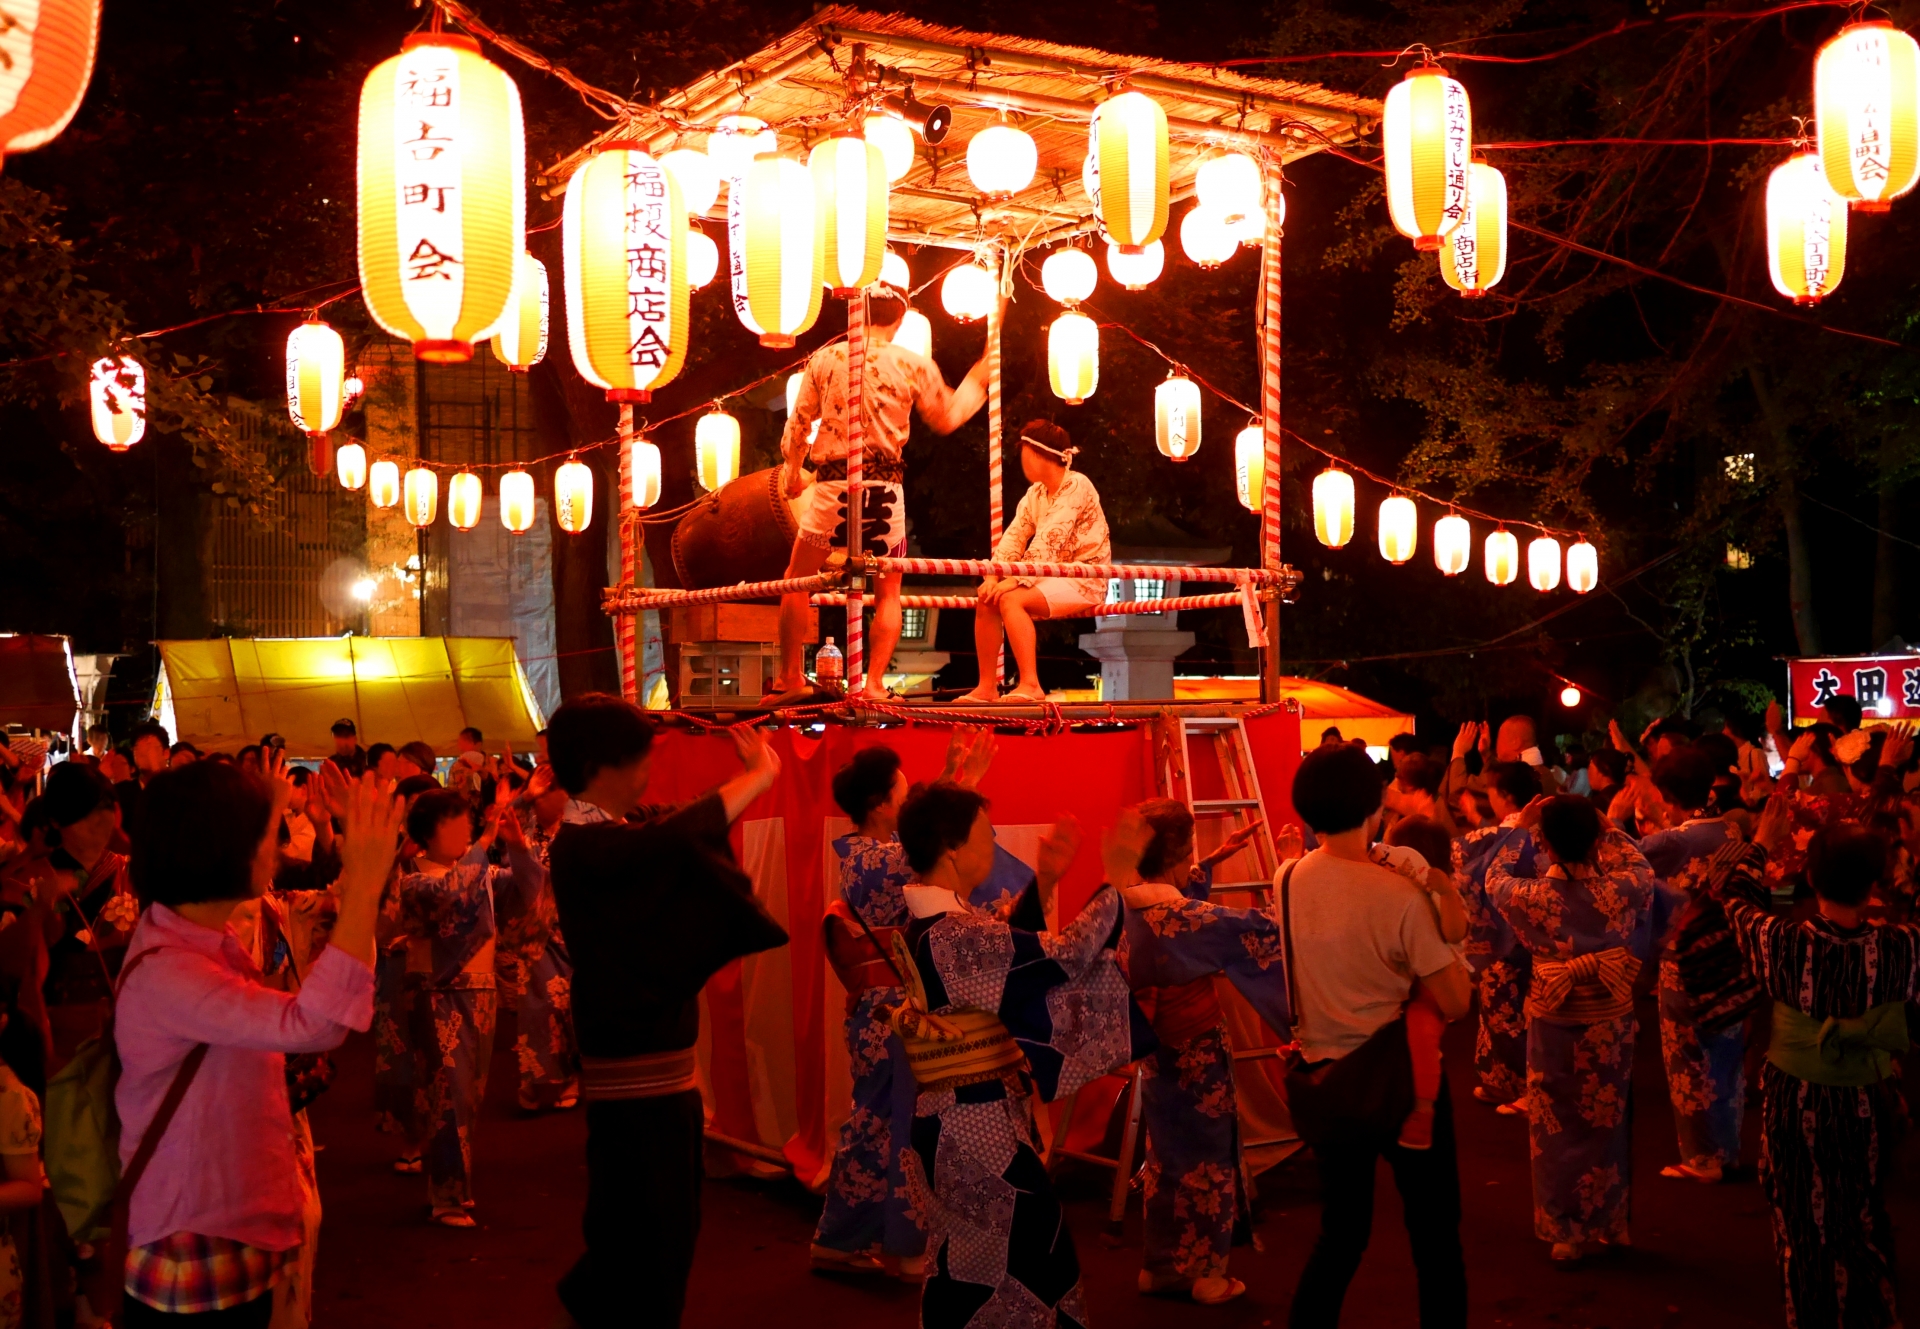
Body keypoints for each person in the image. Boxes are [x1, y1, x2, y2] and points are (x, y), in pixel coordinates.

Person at [117, 757, 401, 1327]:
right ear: (220, 850)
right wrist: (367, 876)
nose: (277, 851)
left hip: (215, 1218)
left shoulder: (187, 933)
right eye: (266, 836)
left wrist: (270, 805)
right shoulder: (171, 971)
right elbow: (314, 1024)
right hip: (194, 1240)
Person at [544, 694, 786, 1329]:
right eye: (643, 757)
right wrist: (759, 777)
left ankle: (598, 1304)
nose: (649, 771)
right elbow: (673, 836)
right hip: (635, 1079)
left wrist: (745, 780)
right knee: (648, 1234)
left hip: (654, 1072)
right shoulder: (585, 846)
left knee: (648, 1227)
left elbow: (672, 825)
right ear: (607, 765)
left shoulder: (605, 836)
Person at [891, 781, 1146, 1328]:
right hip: (975, 1126)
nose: (995, 841)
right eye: (986, 833)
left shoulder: (936, 928)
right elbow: (1066, 957)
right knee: (1025, 1270)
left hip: (955, 1121)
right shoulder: (955, 933)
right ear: (951, 846)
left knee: (973, 1269)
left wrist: (1046, 882)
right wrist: (1117, 876)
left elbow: (1010, 974)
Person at [1280, 743, 1470, 1329]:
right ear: (1374, 809)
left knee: (1340, 1236)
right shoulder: (1399, 893)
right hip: (1399, 1078)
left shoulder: (1288, 877)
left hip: (1330, 1081)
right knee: (1435, 1238)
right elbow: (1457, 1001)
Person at [1709, 809, 1918, 1329]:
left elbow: (1733, 895)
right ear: (1876, 883)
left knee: (1804, 1222)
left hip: (1796, 1098)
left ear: (1809, 877)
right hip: (1869, 1095)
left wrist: (1760, 844)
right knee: (1864, 1214)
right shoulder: (1902, 945)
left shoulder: (1782, 941)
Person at [810, 733, 996, 1279]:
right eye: (901, 787)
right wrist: (964, 787)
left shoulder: (871, 855)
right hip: (889, 1010)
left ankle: (862, 1240)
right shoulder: (875, 861)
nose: (907, 792)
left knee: (887, 1121)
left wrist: (947, 779)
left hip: (891, 1006)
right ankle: (877, 1242)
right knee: (884, 1123)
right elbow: (927, 849)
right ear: (879, 804)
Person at [771, 274, 998, 704]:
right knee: (887, 590)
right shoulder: (912, 363)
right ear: (900, 319)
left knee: (796, 581)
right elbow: (947, 416)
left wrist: (792, 470)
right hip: (886, 487)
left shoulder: (826, 358)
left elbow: (798, 426)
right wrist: (977, 377)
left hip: (833, 483)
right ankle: (874, 682)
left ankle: (789, 676)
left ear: (858, 315)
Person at [1117, 800, 1283, 1306]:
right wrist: (1289, 876)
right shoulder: (1183, 916)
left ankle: (1160, 1265)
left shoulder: (1120, 904)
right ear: (1173, 852)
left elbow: (1183, 915)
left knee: (1166, 1155)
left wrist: (1206, 866)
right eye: (1188, 848)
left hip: (1155, 1051)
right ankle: (1204, 1272)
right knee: (1208, 1154)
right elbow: (1264, 931)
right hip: (1196, 1047)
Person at [1487, 796, 1658, 1265]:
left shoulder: (1530, 897)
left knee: (1553, 1121)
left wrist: (1521, 828)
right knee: (1610, 1118)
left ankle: (1564, 1230)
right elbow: (1639, 862)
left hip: (1553, 1015)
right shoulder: (1623, 888)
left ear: (1543, 843)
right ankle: (1612, 1223)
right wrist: (1609, 826)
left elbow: (1493, 878)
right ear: (1597, 839)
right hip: (1610, 1016)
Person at [392, 784, 543, 1226]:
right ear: (428, 834)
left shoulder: (478, 872)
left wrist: (517, 846)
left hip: (480, 991)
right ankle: (447, 1196)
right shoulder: (417, 881)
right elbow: (451, 897)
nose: (466, 831)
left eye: (467, 822)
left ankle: (454, 1186)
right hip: (440, 992)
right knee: (448, 1096)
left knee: (470, 1096)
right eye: (454, 823)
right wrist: (482, 844)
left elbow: (529, 889)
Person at [1636, 747, 1745, 1184]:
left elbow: (1623, 863)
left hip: (1686, 957)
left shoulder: (1675, 841)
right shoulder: (1732, 828)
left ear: (1666, 794)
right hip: (1731, 950)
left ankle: (1702, 1156)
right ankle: (1728, 1148)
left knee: (1687, 1060)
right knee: (1727, 1054)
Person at [0, 762, 141, 1073]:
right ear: (56, 821)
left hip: (130, 1028)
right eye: (85, 812)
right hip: (56, 1033)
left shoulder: (136, 873)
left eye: (105, 809)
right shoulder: (24, 881)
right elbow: (7, 965)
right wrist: (38, 911)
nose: (99, 822)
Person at [957, 421, 1112, 704]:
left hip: (1084, 579)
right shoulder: (1036, 494)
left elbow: (1051, 539)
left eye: (1026, 453)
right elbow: (1014, 537)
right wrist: (992, 577)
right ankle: (986, 687)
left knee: (1012, 599)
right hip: (1050, 575)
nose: (1023, 461)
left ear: (1042, 454)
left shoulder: (1077, 484)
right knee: (988, 599)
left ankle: (1030, 683)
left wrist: (1014, 581)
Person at [1455, 760, 1541, 1112]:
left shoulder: (1505, 835)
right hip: (1536, 934)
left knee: (1505, 1012)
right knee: (1509, 1011)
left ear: (1504, 796)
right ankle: (1501, 1080)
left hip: (1504, 936)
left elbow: (1464, 861)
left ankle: (1526, 1087)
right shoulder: (1539, 830)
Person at [1383, 816, 1472, 1152]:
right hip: (1406, 975)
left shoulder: (1441, 891)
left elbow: (1454, 933)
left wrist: (1446, 892)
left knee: (1420, 1035)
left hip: (1434, 984)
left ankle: (1423, 1111)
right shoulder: (1393, 886)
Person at [499, 766, 578, 1113]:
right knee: (537, 1007)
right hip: (535, 933)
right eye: (541, 796)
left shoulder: (578, 829)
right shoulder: (527, 825)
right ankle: (533, 1080)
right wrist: (527, 794)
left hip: (575, 928)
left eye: (549, 793)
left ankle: (570, 1078)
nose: (543, 801)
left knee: (570, 1007)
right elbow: (503, 822)